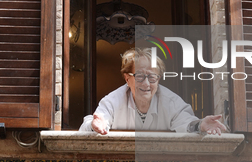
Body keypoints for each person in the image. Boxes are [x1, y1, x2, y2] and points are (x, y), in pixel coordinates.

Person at [79, 48, 227, 135]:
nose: (146, 83)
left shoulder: (171, 102)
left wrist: (200, 125)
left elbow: (187, 123)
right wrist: (94, 125)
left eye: (152, 77)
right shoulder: (113, 100)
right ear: (126, 78)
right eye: (140, 76)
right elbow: (96, 122)